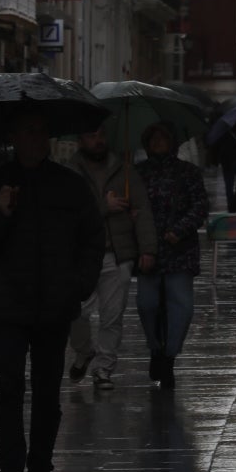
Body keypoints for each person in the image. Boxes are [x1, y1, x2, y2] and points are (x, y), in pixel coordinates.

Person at [0, 110, 103, 472]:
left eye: (43, 130)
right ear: (14, 136)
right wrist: (0, 213)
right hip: (8, 306)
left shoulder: (69, 185)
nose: (37, 138)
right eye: (29, 130)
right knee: (7, 391)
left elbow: (93, 237)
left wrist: (79, 285)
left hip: (54, 306)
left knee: (47, 395)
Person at [66, 124, 157, 391]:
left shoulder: (125, 171)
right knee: (76, 312)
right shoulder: (71, 172)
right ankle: (84, 351)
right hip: (82, 255)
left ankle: (104, 369)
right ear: (80, 140)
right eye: (92, 134)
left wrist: (148, 249)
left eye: (101, 134)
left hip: (117, 254)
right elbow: (69, 214)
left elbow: (143, 209)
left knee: (112, 316)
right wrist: (103, 208)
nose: (98, 140)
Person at [136, 122, 209, 390]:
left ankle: (169, 357)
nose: (157, 143)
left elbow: (200, 206)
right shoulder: (138, 173)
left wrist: (179, 230)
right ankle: (155, 347)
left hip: (180, 252)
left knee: (182, 307)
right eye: (152, 139)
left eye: (162, 138)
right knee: (147, 304)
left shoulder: (187, 173)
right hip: (149, 252)